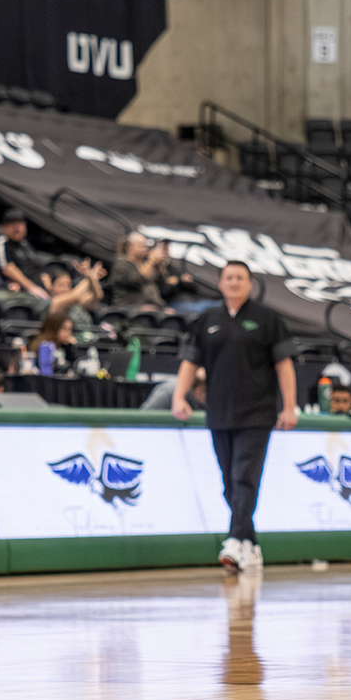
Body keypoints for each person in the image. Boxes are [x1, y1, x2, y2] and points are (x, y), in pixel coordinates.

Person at [172, 261, 298, 574]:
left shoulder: (267, 319)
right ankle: (251, 544)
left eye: (239, 277)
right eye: (228, 277)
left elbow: (284, 364)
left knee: (245, 477)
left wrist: (290, 405)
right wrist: (178, 396)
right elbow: (190, 361)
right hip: (218, 412)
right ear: (220, 283)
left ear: (250, 283)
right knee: (229, 483)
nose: (234, 282)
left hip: (257, 412)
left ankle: (234, 539)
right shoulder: (207, 320)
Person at [0, 209, 47, 299]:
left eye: (19, 223)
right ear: (4, 227)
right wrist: (32, 288)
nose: (16, 227)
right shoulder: (3, 243)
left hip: (39, 290)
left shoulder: (25, 245)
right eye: (12, 223)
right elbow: (7, 269)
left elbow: (40, 269)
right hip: (24, 292)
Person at [106, 232, 166, 307]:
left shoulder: (146, 265)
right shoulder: (122, 264)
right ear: (130, 247)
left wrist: (160, 267)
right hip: (129, 306)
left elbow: (163, 288)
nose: (145, 247)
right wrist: (151, 262)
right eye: (141, 245)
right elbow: (137, 280)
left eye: (145, 245)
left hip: (153, 306)